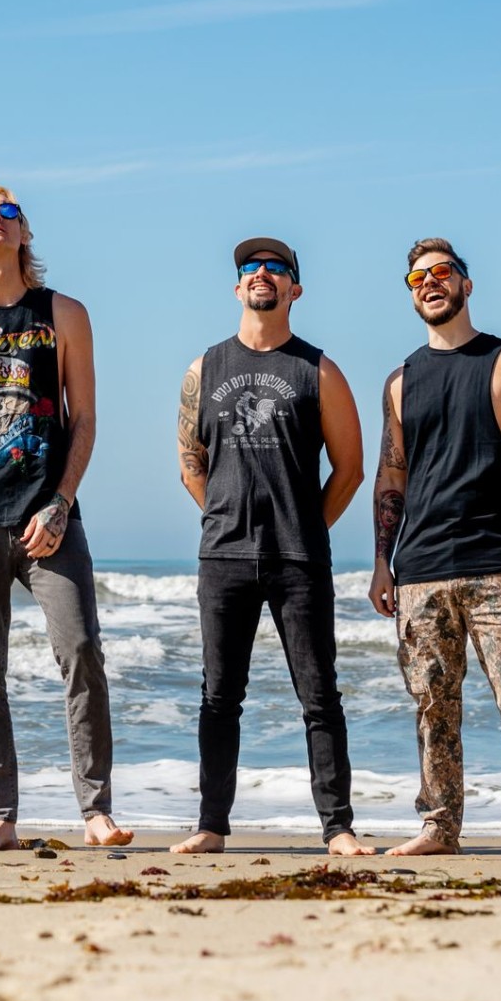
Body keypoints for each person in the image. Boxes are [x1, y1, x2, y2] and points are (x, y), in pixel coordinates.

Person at [0, 185, 133, 853]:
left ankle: (95, 810)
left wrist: (61, 504)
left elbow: (84, 418)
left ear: (24, 232)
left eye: (8, 211)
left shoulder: (64, 313)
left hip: (49, 519)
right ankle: (1, 816)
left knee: (82, 652)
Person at [171, 238, 373, 857]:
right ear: (238, 287)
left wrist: (305, 527)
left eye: (277, 267)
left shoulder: (318, 370)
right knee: (218, 697)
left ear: (294, 288)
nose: (262, 273)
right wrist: (226, 516)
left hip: (298, 560)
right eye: (251, 268)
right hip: (223, 558)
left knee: (319, 697)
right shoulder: (204, 369)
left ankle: (338, 828)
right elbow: (190, 463)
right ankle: (211, 826)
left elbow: (350, 469)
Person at [367, 237, 501, 858]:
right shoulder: (399, 381)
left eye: (442, 272)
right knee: (432, 703)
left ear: (465, 284)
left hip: (497, 563)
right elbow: (391, 476)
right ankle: (439, 826)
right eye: (417, 278)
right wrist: (381, 562)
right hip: (420, 569)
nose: (430, 283)